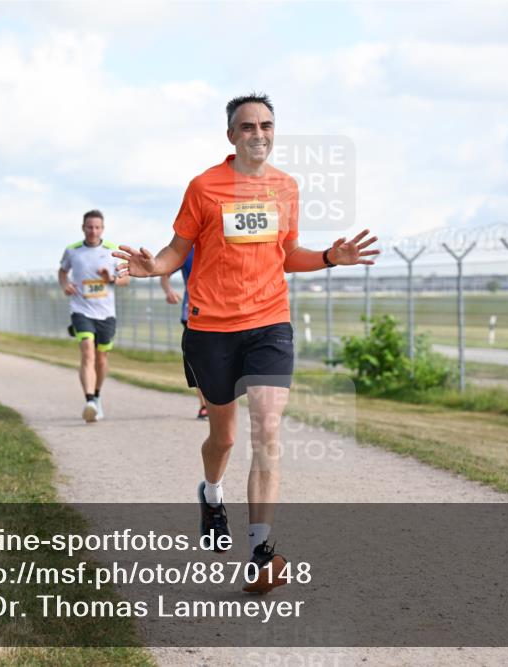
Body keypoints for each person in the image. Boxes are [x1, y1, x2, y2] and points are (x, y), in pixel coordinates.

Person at [113, 93, 378, 593]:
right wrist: (155, 268)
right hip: (211, 327)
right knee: (225, 438)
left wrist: (328, 255)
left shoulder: (285, 187)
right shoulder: (205, 187)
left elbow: (288, 253)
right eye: (248, 126)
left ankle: (260, 552)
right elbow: (176, 249)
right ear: (231, 135)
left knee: (267, 428)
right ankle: (212, 494)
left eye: (267, 124)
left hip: (269, 323)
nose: (259, 133)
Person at [59, 209, 130, 422]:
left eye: (97, 227)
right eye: (89, 227)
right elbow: (62, 272)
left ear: (102, 229)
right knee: (87, 352)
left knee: (101, 358)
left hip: (106, 313)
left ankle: (97, 396)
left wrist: (112, 280)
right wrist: (65, 285)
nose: (93, 231)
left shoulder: (112, 251)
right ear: (83, 228)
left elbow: (126, 279)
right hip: (81, 310)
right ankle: (89, 400)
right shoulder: (72, 251)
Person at [160, 247, 208, 419]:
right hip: (192, 312)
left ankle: (219, 402)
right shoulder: (187, 250)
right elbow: (164, 273)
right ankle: (204, 405)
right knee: (199, 360)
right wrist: (169, 292)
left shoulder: (223, 243)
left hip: (222, 313)